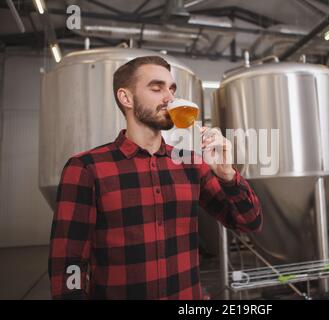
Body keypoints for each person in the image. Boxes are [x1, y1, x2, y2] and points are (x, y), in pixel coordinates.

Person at [48, 56, 263, 299]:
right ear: (126, 98)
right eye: (156, 87)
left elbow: (250, 222)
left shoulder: (190, 164)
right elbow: (68, 261)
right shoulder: (87, 168)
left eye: (172, 88)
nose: (169, 98)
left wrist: (227, 174)